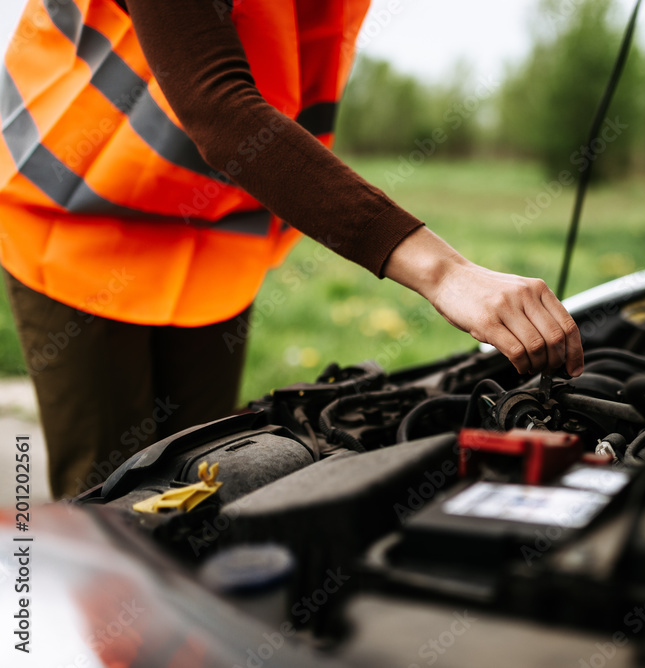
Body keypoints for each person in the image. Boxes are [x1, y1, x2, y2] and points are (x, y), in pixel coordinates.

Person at [0, 0, 584, 499]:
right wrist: (446, 272)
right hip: (76, 232)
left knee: (205, 483)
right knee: (111, 504)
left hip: (213, 244)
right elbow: (219, 108)